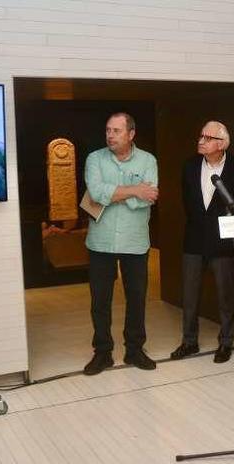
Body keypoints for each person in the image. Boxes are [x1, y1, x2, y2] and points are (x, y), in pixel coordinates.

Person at [82, 112, 159, 375]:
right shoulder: (95, 158)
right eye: (108, 130)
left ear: (131, 134)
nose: (110, 135)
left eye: (116, 131)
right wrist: (135, 189)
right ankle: (102, 353)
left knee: (136, 299)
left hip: (135, 242)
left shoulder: (148, 160)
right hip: (100, 242)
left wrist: (117, 193)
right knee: (99, 301)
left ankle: (135, 350)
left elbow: (145, 200)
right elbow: (96, 193)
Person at [170, 121, 234, 363]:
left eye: (207, 137)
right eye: (201, 135)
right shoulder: (189, 166)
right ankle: (189, 341)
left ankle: (226, 342)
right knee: (190, 294)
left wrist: (232, 229)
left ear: (222, 143)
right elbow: (188, 204)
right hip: (194, 239)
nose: (200, 141)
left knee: (226, 295)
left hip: (224, 243)